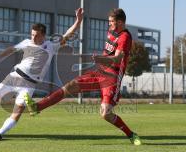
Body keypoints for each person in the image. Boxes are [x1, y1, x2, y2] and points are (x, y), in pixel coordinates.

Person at [26, 8, 142, 145]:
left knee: (105, 114)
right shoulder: (112, 31)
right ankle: (37, 107)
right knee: (69, 87)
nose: (109, 24)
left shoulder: (125, 37)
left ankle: (131, 134)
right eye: (109, 21)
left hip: (112, 78)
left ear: (121, 22)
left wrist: (100, 59)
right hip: (99, 72)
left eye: (111, 22)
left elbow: (117, 59)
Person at [0, 8, 84, 141]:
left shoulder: (51, 45)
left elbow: (68, 34)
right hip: (14, 77)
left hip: (29, 85)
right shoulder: (26, 43)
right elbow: (10, 49)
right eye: (32, 34)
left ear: (43, 35)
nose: (33, 37)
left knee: (17, 112)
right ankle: (4, 99)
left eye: (36, 35)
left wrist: (78, 21)